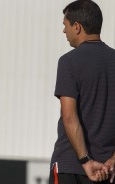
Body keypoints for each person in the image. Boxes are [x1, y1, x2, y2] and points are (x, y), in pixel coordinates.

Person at [49, 0, 115, 184]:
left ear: (77, 27)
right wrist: (113, 161)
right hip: (109, 171)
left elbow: (69, 116)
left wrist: (85, 160)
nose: (64, 31)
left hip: (72, 166)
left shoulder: (69, 61)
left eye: (65, 25)